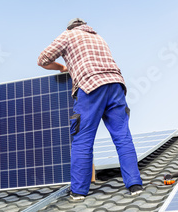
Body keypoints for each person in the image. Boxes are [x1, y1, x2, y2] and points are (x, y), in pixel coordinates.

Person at [37, 18, 143, 201]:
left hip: (90, 86)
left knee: (83, 138)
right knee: (122, 136)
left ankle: (78, 191)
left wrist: (62, 67)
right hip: (116, 85)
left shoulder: (68, 35)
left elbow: (43, 60)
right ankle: (135, 185)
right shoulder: (99, 37)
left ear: (70, 27)